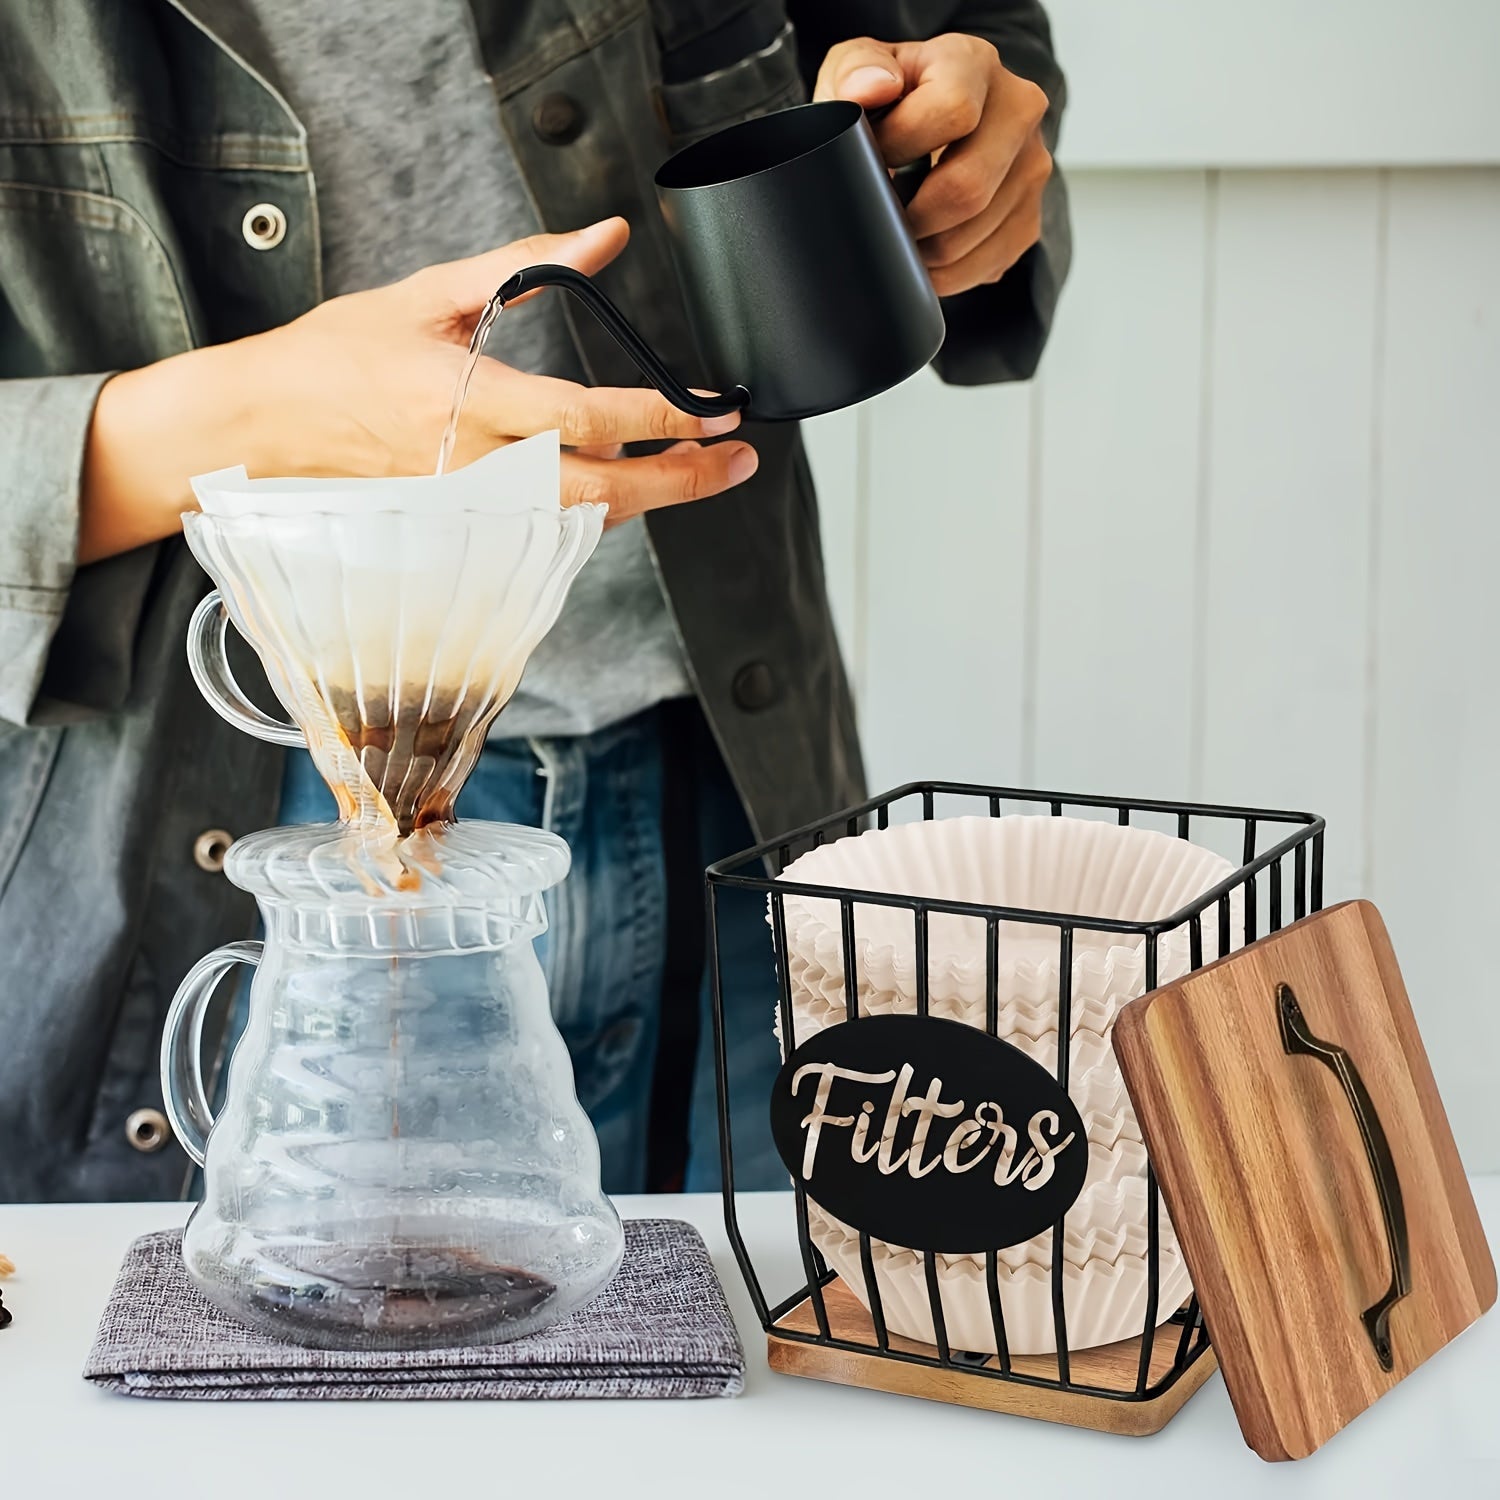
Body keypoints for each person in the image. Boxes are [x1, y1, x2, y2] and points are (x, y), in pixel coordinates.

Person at [0, 1, 1068, 1202]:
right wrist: (254, 421)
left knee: (778, 1295)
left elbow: (964, 40)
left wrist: (964, 146)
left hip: (731, 780)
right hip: (253, 819)